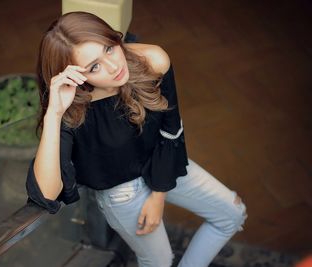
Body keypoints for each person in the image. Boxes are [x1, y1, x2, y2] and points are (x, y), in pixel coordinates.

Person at [26, 11, 247, 267]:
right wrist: (54, 113)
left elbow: (171, 128)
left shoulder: (152, 60)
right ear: (76, 75)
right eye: (93, 67)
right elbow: (47, 194)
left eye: (109, 48)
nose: (114, 67)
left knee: (232, 213)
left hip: (162, 160)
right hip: (122, 193)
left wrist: (158, 195)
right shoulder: (71, 109)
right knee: (160, 261)